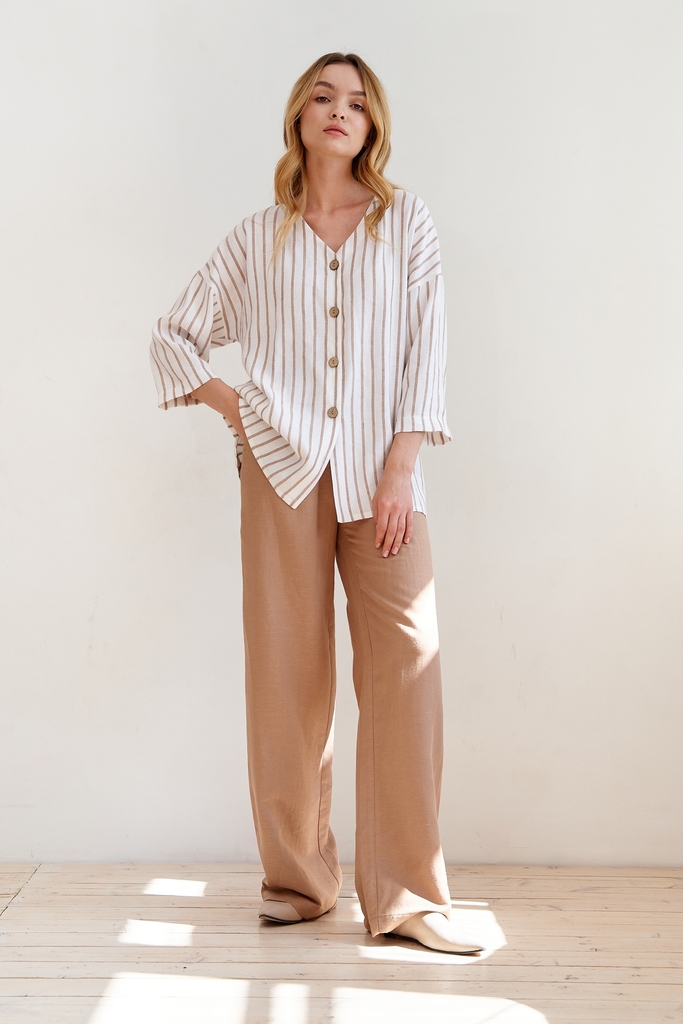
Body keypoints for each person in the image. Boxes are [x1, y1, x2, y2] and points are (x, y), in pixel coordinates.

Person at [151, 52, 482, 955]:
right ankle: (297, 882)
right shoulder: (256, 239)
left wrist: (402, 464)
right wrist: (237, 407)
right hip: (281, 470)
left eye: (358, 102)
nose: (341, 111)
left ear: (373, 126)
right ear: (299, 116)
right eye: (324, 97)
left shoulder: (404, 222)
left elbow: (426, 346)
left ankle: (409, 896)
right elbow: (173, 335)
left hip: (384, 476)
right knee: (286, 676)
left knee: (406, 668)